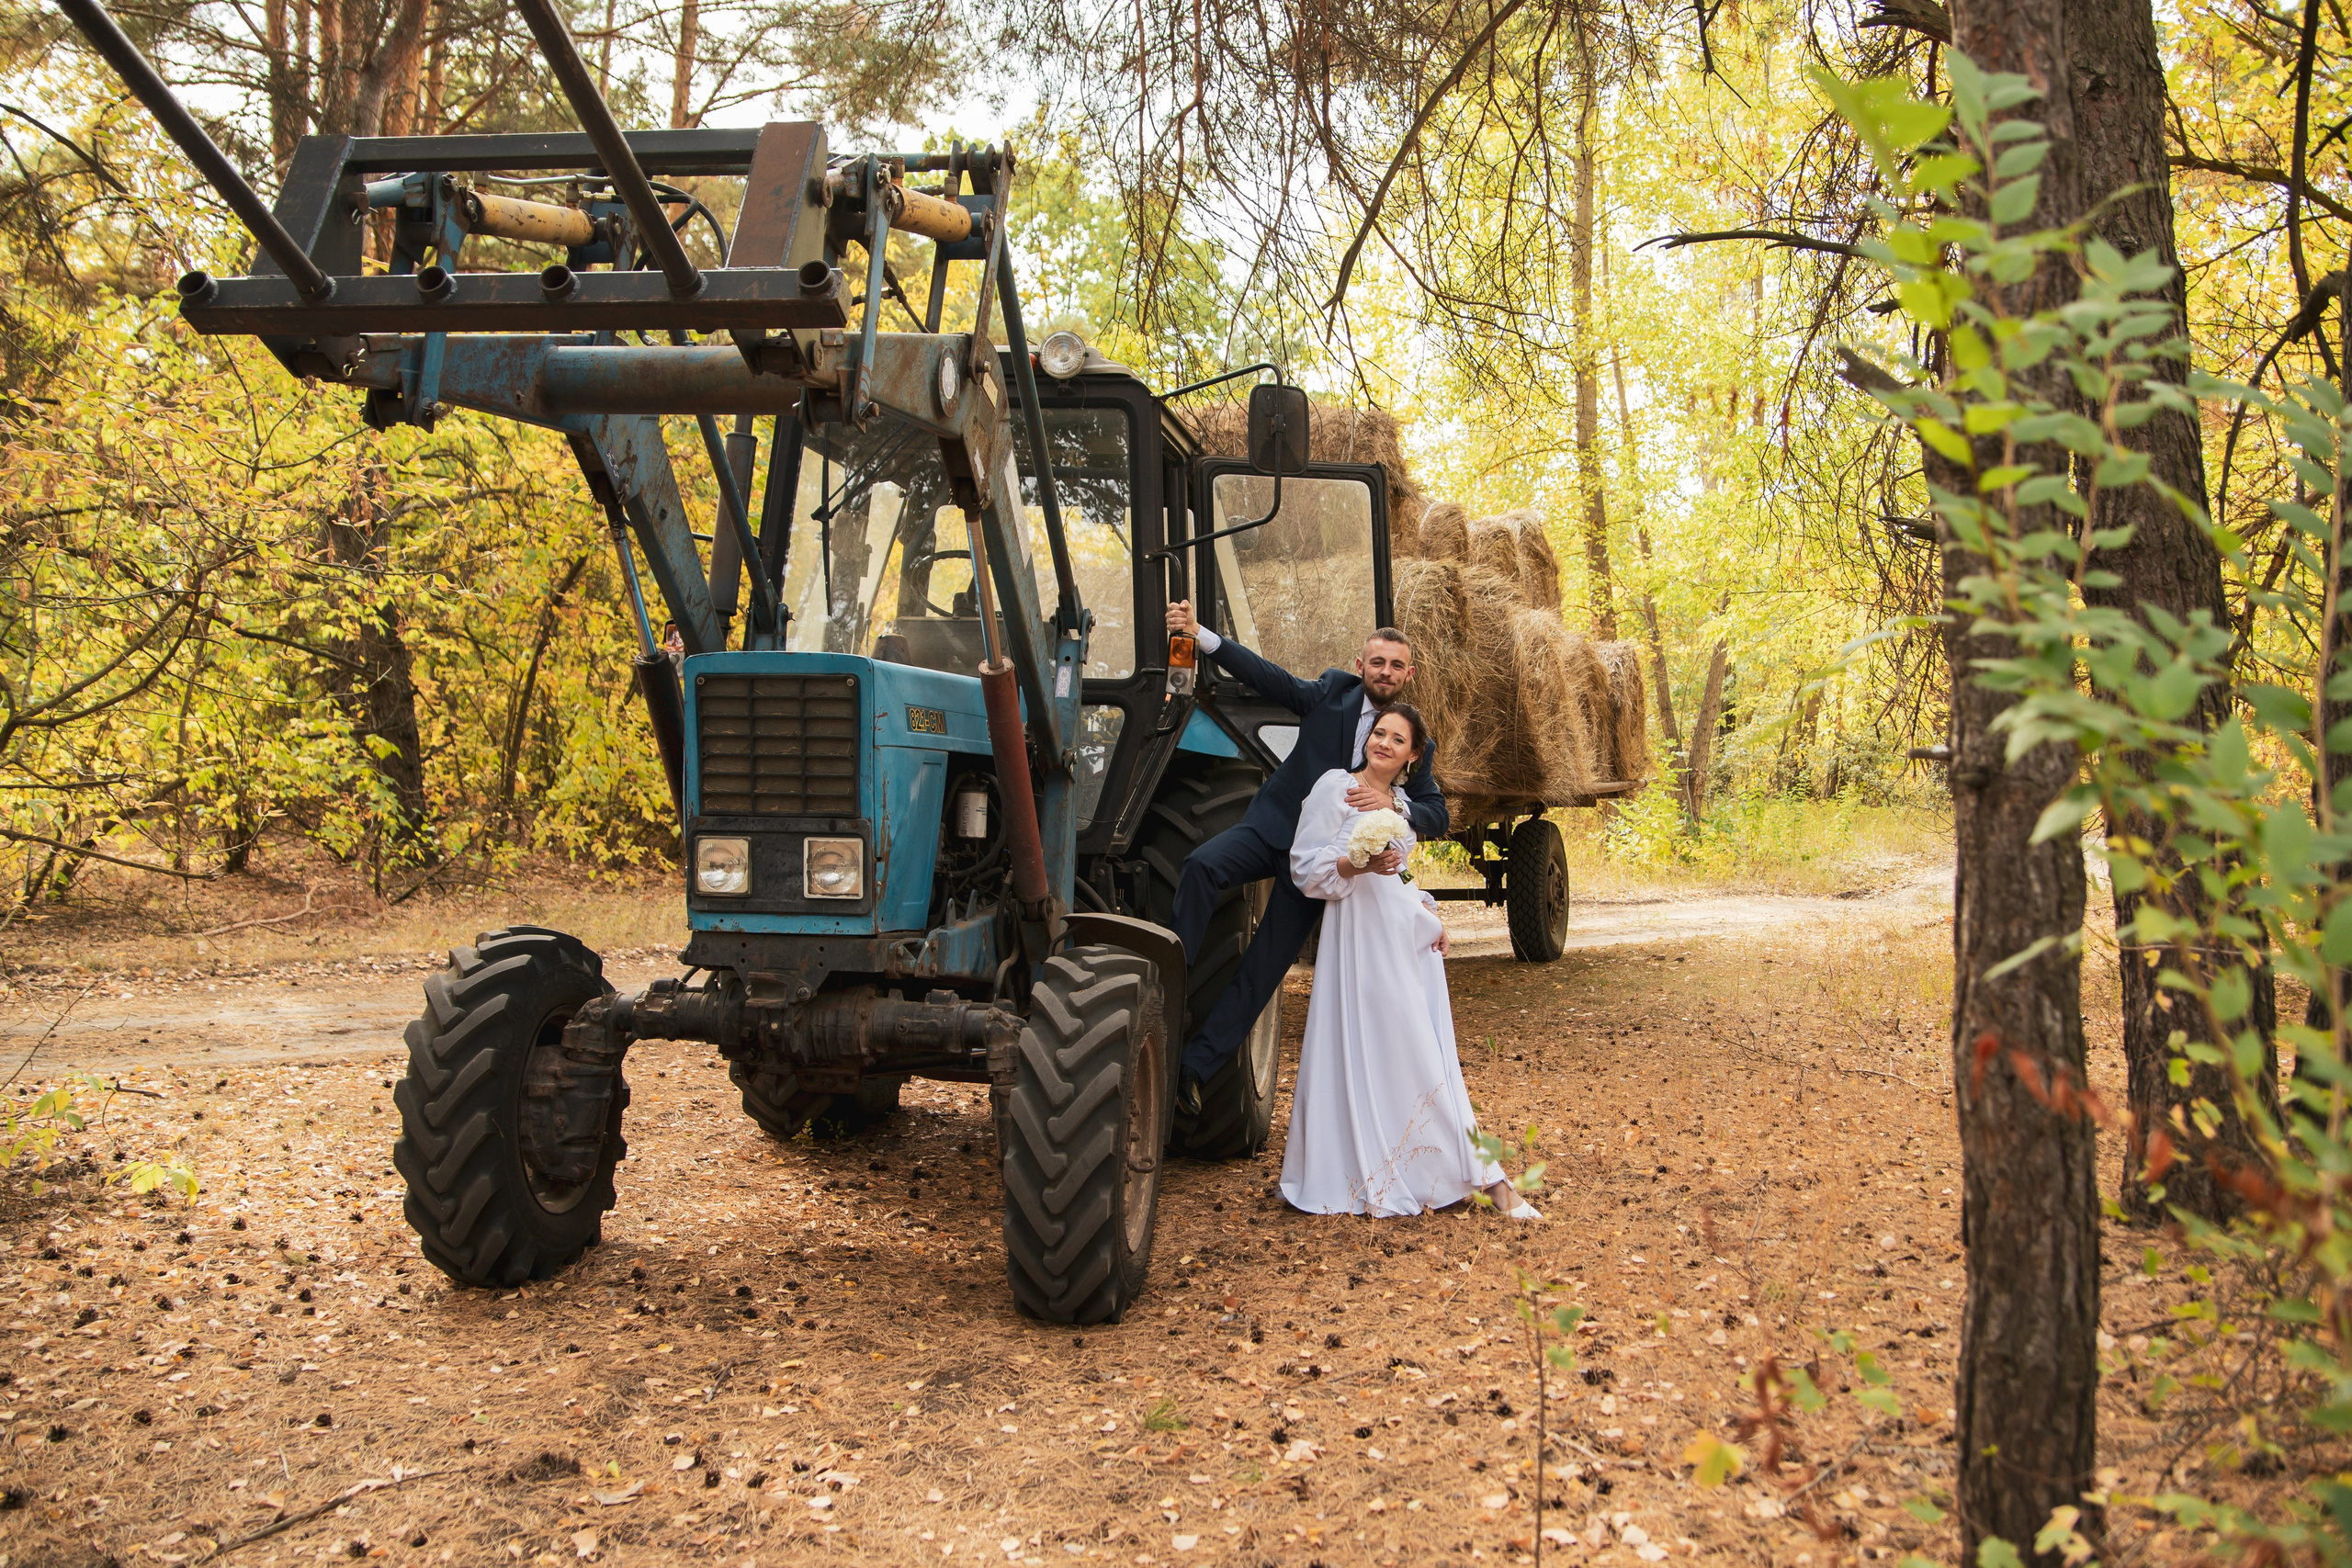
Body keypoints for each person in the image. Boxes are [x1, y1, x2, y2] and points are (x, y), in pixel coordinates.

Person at [1162, 600, 1449, 1118]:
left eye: (1396, 665)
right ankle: (1168, 991)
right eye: (1377, 662)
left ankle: (1195, 1068)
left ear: (1409, 673)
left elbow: (1436, 813)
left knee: (1264, 967)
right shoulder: (1331, 692)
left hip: (1324, 864)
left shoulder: (1411, 738)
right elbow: (1267, 678)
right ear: (1361, 666)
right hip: (1272, 829)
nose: (1385, 672)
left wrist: (1395, 802)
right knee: (1203, 865)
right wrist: (1201, 635)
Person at [1282, 703, 1535, 1218]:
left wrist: (1428, 915)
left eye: (1398, 740)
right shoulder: (1336, 787)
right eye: (1379, 733)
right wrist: (1358, 863)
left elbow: (1400, 878)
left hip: (1401, 935)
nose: (1384, 743)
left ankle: (1468, 1172)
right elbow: (1306, 869)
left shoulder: (1400, 802)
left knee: (1423, 1052)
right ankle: (1468, 1177)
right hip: (1357, 939)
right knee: (1392, 1048)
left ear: (1412, 755)